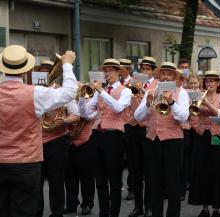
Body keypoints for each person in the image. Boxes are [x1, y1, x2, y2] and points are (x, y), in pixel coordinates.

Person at [0, 45, 77, 217]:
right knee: (25, 211)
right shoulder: (35, 93)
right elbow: (70, 92)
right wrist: (67, 64)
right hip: (27, 163)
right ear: (26, 69)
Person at [134, 62, 189, 217]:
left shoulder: (181, 92)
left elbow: (184, 116)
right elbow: (138, 117)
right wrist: (146, 103)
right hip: (152, 140)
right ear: (159, 75)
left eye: (169, 74)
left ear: (174, 77)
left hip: (172, 141)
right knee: (153, 183)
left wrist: (171, 102)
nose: (165, 76)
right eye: (163, 73)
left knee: (173, 185)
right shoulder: (150, 91)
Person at [80, 58, 132, 217]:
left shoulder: (125, 90)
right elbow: (86, 113)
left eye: (110, 70)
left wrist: (101, 91)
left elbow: (117, 108)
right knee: (100, 180)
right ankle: (103, 212)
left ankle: (114, 213)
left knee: (114, 181)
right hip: (96, 135)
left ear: (118, 72)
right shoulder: (99, 91)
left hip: (114, 136)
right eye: (106, 70)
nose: (107, 73)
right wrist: (82, 96)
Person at [188, 70, 220, 217]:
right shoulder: (199, 94)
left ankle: (216, 208)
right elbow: (192, 114)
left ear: (218, 83)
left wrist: (206, 103)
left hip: (217, 134)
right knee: (201, 170)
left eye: (213, 81)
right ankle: (204, 207)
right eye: (207, 81)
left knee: (217, 169)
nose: (210, 84)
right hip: (201, 135)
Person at [126, 57, 156, 217]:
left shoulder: (155, 85)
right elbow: (126, 103)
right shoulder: (133, 82)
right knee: (135, 169)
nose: (144, 72)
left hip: (147, 130)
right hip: (133, 128)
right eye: (142, 69)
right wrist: (132, 88)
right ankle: (138, 206)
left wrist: (143, 91)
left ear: (152, 71)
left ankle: (149, 205)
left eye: (147, 69)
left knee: (149, 170)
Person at [64, 83, 98, 215]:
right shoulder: (69, 102)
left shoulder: (92, 104)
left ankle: (87, 203)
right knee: (69, 177)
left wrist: (82, 99)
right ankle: (71, 204)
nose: (78, 92)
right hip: (69, 143)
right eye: (77, 90)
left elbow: (87, 115)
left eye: (80, 89)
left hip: (86, 143)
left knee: (87, 177)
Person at [119, 58, 136, 201]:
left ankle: (132, 188)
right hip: (117, 124)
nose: (119, 71)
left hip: (130, 123)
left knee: (131, 158)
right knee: (117, 157)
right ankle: (117, 185)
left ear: (128, 70)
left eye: (122, 68)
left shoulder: (134, 82)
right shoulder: (114, 83)